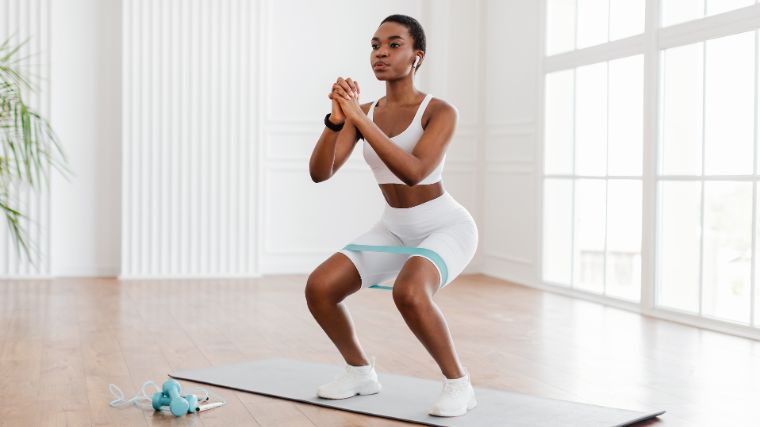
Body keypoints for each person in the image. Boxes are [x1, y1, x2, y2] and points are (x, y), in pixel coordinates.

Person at [306, 14, 478, 417]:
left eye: (394, 44)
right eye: (375, 44)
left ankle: (459, 384)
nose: (381, 52)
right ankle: (359, 372)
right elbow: (319, 173)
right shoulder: (361, 112)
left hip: (445, 225)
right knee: (320, 288)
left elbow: (415, 172)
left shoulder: (440, 111)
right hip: (394, 228)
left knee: (410, 293)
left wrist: (361, 119)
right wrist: (336, 120)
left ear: (417, 56)